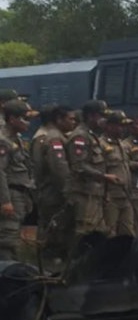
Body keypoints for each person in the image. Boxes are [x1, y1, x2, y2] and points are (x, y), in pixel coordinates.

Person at [67, 100, 119, 241]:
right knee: (85, 233)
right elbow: (79, 166)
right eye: (101, 116)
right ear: (91, 116)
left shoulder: (91, 135)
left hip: (94, 193)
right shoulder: (80, 137)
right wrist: (103, 176)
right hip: (83, 194)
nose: (104, 120)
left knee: (99, 232)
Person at [31, 104, 75, 266]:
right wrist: (69, 191)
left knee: (54, 229)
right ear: (58, 119)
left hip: (50, 191)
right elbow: (59, 169)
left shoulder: (51, 136)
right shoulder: (53, 138)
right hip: (53, 193)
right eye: (70, 119)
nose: (73, 122)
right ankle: (50, 268)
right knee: (54, 230)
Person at [0, 100, 38, 261]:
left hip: (21, 194)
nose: (28, 123)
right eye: (24, 118)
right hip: (10, 192)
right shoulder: (3, 140)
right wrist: (5, 201)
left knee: (14, 235)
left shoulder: (18, 139)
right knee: (8, 237)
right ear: (12, 119)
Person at [101, 111, 136, 238]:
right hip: (111, 197)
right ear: (110, 126)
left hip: (126, 195)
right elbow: (99, 171)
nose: (123, 129)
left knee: (128, 231)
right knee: (109, 232)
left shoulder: (122, 144)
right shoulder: (101, 144)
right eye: (120, 126)